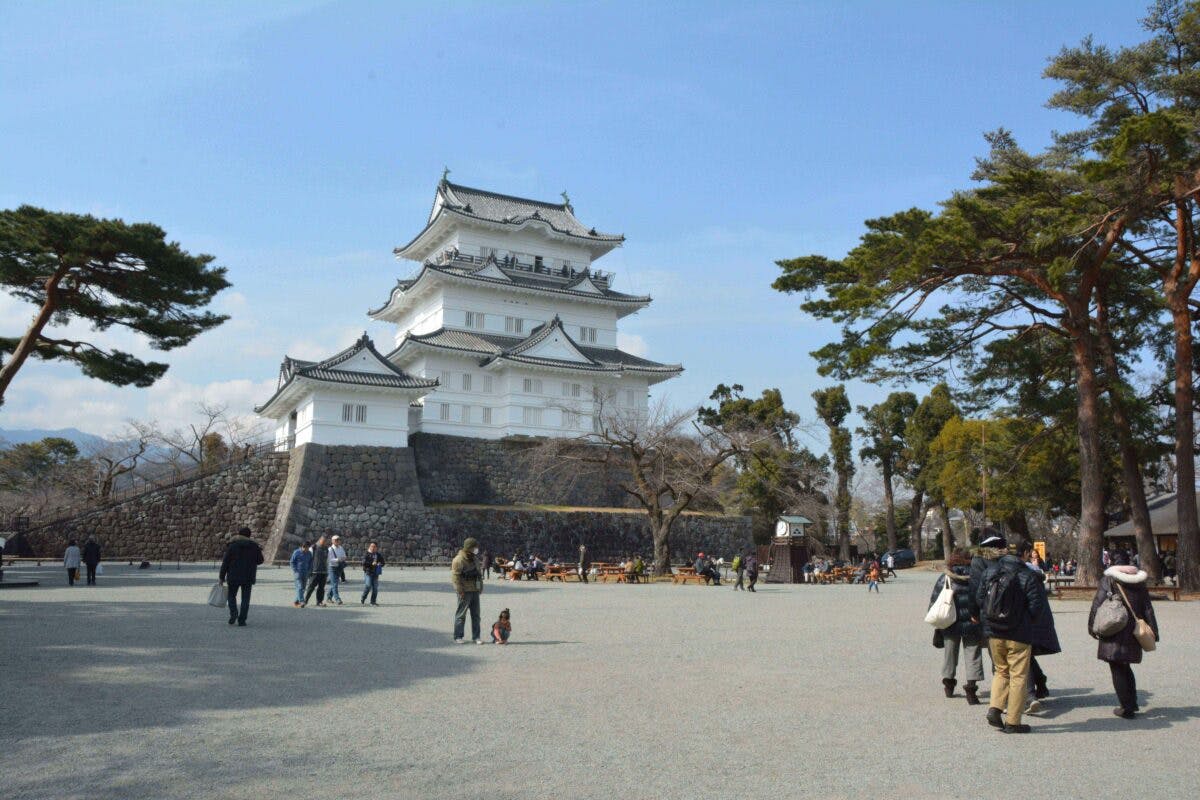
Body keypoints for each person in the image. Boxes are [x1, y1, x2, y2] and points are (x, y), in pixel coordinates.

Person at [974, 542, 1045, 733]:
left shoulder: (990, 572)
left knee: (1001, 671)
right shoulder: (1028, 575)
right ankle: (1013, 721)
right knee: (1018, 676)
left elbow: (980, 599)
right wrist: (1024, 620)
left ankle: (995, 708)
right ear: (1025, 553)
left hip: (994, 631)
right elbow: (1036, 607)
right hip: (1019, 633)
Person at [1088, 551, 1160, 718]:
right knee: (1125, 666)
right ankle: (1132, 702)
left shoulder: (1109, 580)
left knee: (1117, 667)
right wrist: (1154, 630)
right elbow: (1148, 608)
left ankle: (1126, 707)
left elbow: (1097, 604)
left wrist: (1092, 626)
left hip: (1113, 627)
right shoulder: (1139, 582)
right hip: (1133, 629)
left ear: (1112, 562)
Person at [930, 549, 984, 704]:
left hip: (950, 621)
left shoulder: (946, 577)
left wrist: (937, 623)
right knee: (973, 653)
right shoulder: (976, 577)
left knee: (950, 653)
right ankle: (971, 689)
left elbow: (935, 599)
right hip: (972, 620)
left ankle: (948, 683)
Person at [1020, 542, 1059, 713]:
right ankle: (1040, 681)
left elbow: (1034, 602)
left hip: (1025, 621)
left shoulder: (1025, 573)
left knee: (1023, 655)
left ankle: (1029, 695)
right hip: (1034, 620)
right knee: (1025, 655)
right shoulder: (1032, 574)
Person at [219, 527, 264, 626]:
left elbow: (225, 562)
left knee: (231, 596)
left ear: (239, 534)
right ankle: (242, 620)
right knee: (245, 599)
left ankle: (234, 613)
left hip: (233, 576)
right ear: (249, 535)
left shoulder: (232, 545)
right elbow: (260, 561)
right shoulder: (254, 546)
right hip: (248, 576)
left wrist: (221, 577)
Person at [451, 537, 485, 644]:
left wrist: (480, 587)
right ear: (469, 548)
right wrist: (459, 590)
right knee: (461, 615)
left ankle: (476, 636)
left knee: (476, 615)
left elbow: (478, 575)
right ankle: (458, 636)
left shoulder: (474, 559)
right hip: (464, 590)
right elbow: (455, 577)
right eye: (475, 547)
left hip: (474, 589)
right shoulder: (459, 560)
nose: (477, 549)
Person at [304, 536, 330, 607]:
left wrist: (327, 571)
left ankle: (319, 601)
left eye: (326, 541)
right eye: (323, 541)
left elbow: (328, 560)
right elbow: (309, 559)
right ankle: (305, 600)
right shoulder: (313, 548)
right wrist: (309, 570)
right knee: (311, 587)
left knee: (321, 588)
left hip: (324, 572)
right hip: (314, 571)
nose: (324, 542)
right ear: (319, 540)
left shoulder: (326, 549)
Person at [361, 541, 385, 605]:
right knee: (368, 586)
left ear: (377, 548)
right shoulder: (366, 553)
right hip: (368, 572)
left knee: (375, 588)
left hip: (375, 573)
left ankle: (373, 601)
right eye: (372, 546)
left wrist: (380, 563)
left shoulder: (378, 555)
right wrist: (372, 564)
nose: (373, 548)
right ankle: (363, 597)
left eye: (374, 547)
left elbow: (383, 562)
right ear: (369, 547)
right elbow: (363, 563)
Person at [290, 541, 313, 607]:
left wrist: (309, 570)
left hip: (306, 573)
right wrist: (295, 571)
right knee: (300, 587)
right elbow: (292, 562)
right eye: (306, 548)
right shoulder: (296, 552)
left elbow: (311, 562)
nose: (307, 550)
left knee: (303, 588)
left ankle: (296, 601)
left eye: (308, 548)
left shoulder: (309, 553)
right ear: (303, 547)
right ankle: (302, 601)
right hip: (298, 572)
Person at [327, 535, 347, 604]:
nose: (337, 541)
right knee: (335, 584)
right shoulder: (330, 549)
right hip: (332, 567)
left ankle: (329, 597)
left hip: (339, 567)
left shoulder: (341, 548)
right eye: (335, 540)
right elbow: (329, 560)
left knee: (334, 583)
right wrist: (337, 559)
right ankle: (337, 599)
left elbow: (344, 555)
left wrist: (343, 558)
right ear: (332, 541)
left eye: (338, 540)